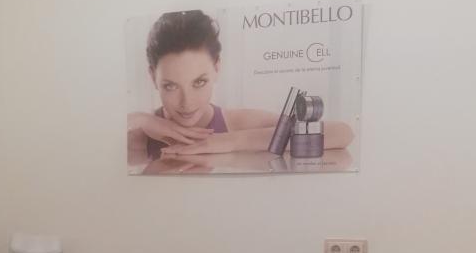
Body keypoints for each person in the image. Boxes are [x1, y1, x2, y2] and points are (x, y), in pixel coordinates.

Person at [126, 10, 354, 163]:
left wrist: (228, 141)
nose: (187, 103)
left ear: (217, 68)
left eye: (199, 82)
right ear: (152, 77)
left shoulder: (235, 123)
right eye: (170, 86)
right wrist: (139, 119)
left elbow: (342, 133)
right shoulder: (140, 133)